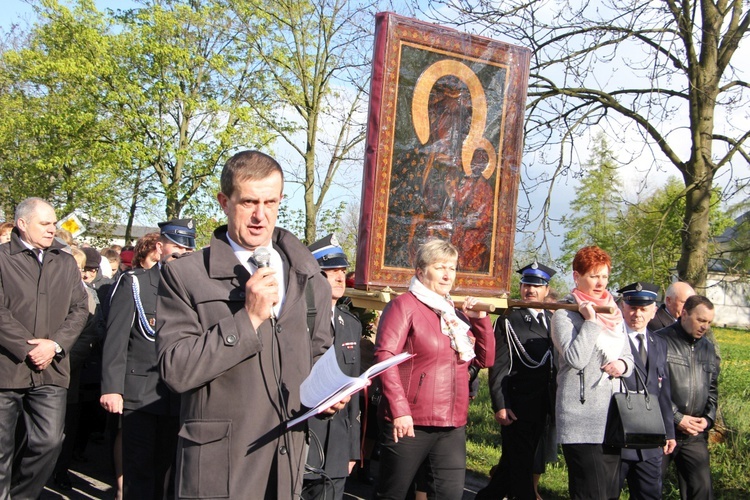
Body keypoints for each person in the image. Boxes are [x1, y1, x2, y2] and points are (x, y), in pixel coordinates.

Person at [156, 150, 337, 500]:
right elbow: (175, 369)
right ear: (224, 201)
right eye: (249, 202)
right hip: (220, 468)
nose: (260, 215)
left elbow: (318, 353)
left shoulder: (307, 274)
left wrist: (328, 395)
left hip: (286, 464)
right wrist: (248, 319)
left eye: (270, 202)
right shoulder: (185, 275)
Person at [373, 239, 495, 499]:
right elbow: (385, 357)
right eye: (440, 267)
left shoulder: (454, 315)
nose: (448, 274)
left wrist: (481, 323)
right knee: (393, 495)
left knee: (448, 495)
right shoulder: (403, 306)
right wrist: (399, 409)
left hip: (452, 423)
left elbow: (485, 360)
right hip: (410, 422)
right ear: (420, 271)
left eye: (452, 267)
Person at [0, 197, 89, 499]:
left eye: (54, 223)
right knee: (2, 449)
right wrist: (27, 348)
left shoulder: (64, 261)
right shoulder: (1, 259)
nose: (53, 229)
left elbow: (80, 309)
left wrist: (55, 345)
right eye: (45, 223)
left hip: (51, 370)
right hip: (7, 370)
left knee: (49, 441)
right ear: (23, 224)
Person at [101, 220, 195, 499]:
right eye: (177, 246)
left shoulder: (193, 289)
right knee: (139, 473)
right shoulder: (135, 283)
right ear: (160, 247)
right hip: (139, 394)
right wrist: (112, 387)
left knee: (169, 475)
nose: (182, 253)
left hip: (178, 395)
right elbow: (116, 337)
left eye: (188, 248)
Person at [551, 245, 633, 500]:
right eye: (593, 276)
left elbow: (628, 356)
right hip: (580, 417)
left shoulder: (614, 313)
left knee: (609, 493)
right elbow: (576, 359)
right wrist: (590, 323)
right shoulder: (564, 314)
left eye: (604, 276)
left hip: (612, 416)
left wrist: (622, 365)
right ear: (577, 277)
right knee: (591, 492)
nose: (600, 283)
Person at [476, 261, 557, 500]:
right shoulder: (510, 319)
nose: (530, 290)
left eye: (536, 286)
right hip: (517, 406)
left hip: (541, 406)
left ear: (546, 289)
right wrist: (500, 404)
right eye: (526, 285)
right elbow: (498, 366)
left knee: (509, 469)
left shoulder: (551, 320)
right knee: (522, 469)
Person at [302, 234, 362, 500]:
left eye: (342, 271)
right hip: (303, 438)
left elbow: (355, 392)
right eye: (331, 271)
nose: (340, 278)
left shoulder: (350, 324)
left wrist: (352, 449)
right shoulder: (294, 321)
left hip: (336, 444)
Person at [616, 282, 676, 500]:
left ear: (653, 311)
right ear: (623, 307)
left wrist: (668, 432)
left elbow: (663, 390)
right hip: (617, 435)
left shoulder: (659, 342)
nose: (637, 314)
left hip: (650, 438)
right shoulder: (612, 339)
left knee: (649, 495)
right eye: (632, 307)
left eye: (643, 309)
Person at [657, 295, 719, 500]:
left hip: (694, 434)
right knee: (649, 488)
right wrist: (676, 418)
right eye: (700, 320)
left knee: (701, 490)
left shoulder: (708, 348)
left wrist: (708, 419)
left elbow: (712, 388)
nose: (705, 327)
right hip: (662, 430)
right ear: (684, 313)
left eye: (709, 322)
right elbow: (652, 387)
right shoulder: (660, 340)